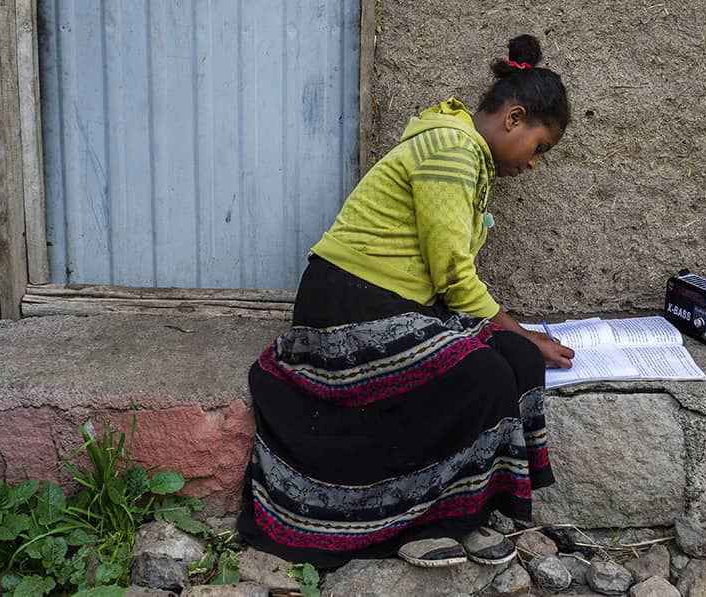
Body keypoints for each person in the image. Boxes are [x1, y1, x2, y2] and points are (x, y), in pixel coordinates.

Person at [237, 34, 575, 569]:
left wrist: (519, 340)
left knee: (518, 362)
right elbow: (453, 273)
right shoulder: (451, 148)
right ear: (514, 118)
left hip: (397, 308)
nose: (534, 164)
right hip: (346, 304)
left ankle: (469, 507)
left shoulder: (469, 158)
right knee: (484, 373)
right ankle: (420, 521)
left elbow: (448, 280)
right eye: (540, 148)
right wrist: (516, 327)